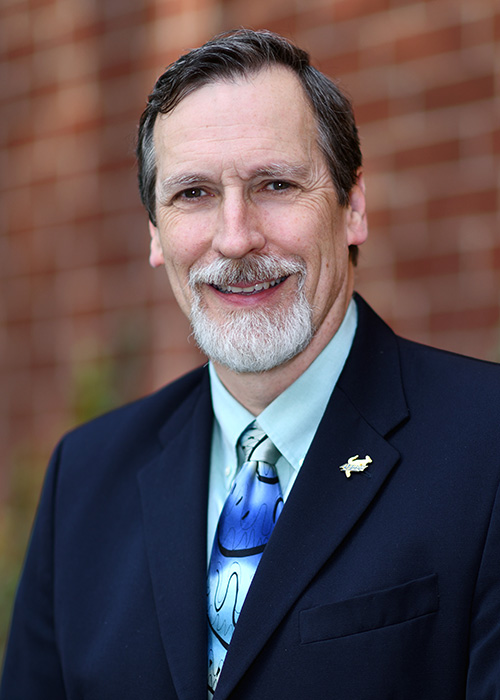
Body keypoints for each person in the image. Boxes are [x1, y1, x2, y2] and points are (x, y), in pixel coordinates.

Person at [1, 28, 500, 700]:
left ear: (352, 206)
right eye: (194, 194)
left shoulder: (486, 444)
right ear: (155, 233)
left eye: (274, 183)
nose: (235, 238)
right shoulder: (85, 479)